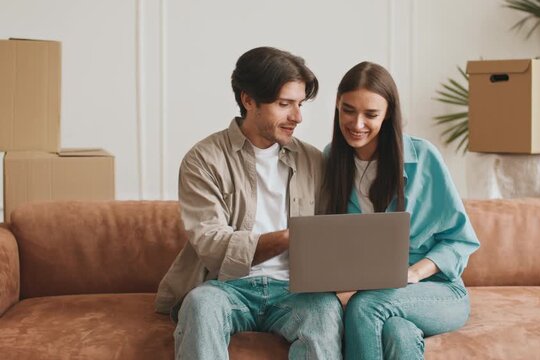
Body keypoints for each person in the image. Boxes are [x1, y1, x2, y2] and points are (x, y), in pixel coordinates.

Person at [155, 47, 342, 360]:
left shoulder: (313, 160)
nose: (297, 117)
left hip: (294, 291)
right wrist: (288, 237)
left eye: (299, 104)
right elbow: (212, 244)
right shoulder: (203, 160)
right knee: (200, 305)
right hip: (226, 287)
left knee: (325, 312)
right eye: (284, 104)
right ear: (248, 100)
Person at [324, 61, 480, 359]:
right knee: (398, 332)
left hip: (439, 290)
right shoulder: (331, 160)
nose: (357, 124)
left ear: (388, 115)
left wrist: (413, 274)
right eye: (348, 110)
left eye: (370, 114)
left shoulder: (423, 157)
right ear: (337, 106)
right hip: (377, 293)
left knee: (366, 306)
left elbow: (460, 240)